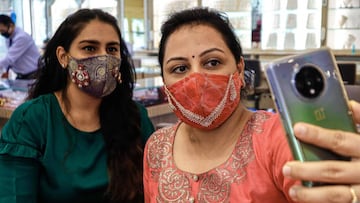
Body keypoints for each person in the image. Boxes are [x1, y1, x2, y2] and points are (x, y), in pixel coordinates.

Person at [143, 7, 360, 203]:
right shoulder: (156, 146)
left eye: (213, 62)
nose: (197, 78)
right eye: (180, 68)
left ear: (239, 70)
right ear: (164, 81)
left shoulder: (281, 138)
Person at [0, 8, 154, 203]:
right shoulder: (32, 120)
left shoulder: (135, 117)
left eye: (112, 49)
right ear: (63, 56)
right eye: (89, 48)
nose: (103, 58)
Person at [0, 14, 40, 79]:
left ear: (11, 26)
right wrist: (6, 70)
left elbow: (10, 58)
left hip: (32, 75)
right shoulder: (9, 38)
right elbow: (11, 57)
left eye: (2, 31)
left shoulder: (21, 37)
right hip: (21, 76)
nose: (2, 34)